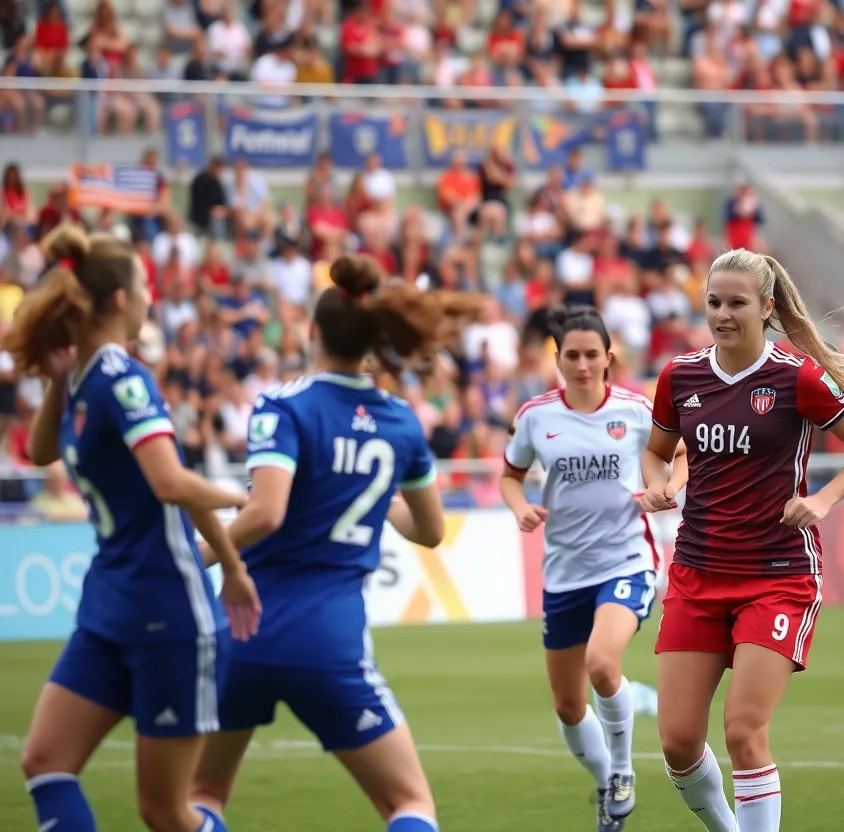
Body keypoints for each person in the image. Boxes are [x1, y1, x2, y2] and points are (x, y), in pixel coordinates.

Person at [189, 254, 466, 832]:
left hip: (242, 630)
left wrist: (191, 557)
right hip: (328, 640)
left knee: (204, 794)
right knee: (410, 804)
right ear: (371, 343)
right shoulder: (401, 422)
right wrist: (374, 497)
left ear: (311, 332)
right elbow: (433, 532)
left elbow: (267, 510)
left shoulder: (281, 405)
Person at [7, 226, 259, 832]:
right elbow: (165, 481)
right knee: (45, 761)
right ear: (120, 299)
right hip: (112, 605)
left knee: (165, 813)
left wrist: (231, 561)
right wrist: (57, 378)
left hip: (165, 612)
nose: (152, 295)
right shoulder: (106, 378)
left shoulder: (121, 379)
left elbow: (171, 486)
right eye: (145, 284)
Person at [639, 248, 844, 832]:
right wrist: (655, 487)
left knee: (744, 731)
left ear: (767, 307)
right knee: (677, 741)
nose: (723, 314)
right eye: (714, 303)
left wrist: (823, 499)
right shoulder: (681, 375)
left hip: (777, 576)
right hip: (698, 573)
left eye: (736, 303)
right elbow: (655, 452)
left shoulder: (796, 376)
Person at [500, 306, 688, 832]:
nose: (582, 366)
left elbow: (682, 454)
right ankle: (607, 781)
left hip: (626, 559)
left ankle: (624, 770)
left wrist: (665, 488)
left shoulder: (633, 410)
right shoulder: (536, 416)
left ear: (609, 358)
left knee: (603, 664)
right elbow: (509, 476)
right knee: (566, 704)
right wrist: (518, 507)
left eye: (592, 356)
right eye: (572, 356)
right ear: (558, 359)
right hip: (564, 571)